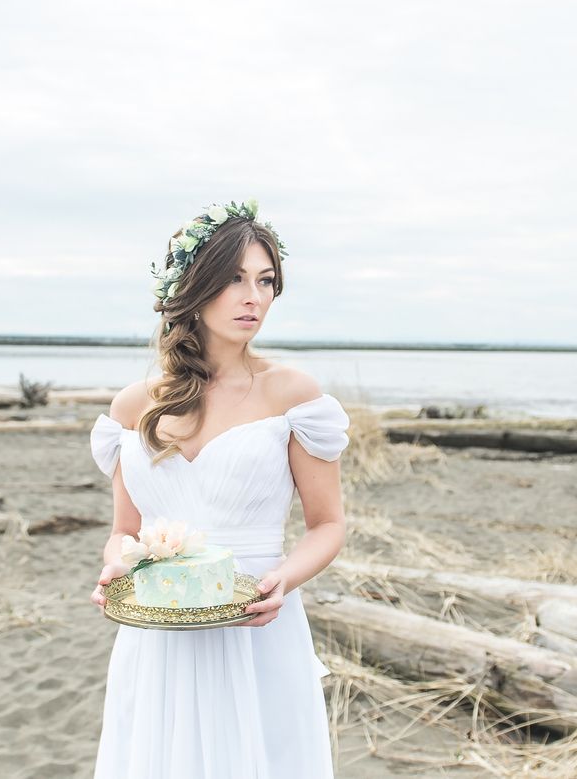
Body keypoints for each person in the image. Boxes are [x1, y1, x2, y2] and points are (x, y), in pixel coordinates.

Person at [89, 199, 350, 778]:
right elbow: (123, 534)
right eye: (234, 279)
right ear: (193, 284)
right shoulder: (133, 406)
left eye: (265, 281)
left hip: (258, 625)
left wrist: (281, 579)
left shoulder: (293, 395)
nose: (253, 297)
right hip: (159, 637)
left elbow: (327, 525)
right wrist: (116, 569)